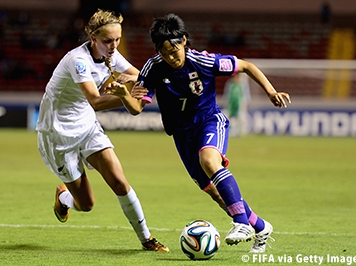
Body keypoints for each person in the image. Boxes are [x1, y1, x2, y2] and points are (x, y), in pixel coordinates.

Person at [105, 13, 291, 253]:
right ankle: (261, 227)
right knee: (215, 192)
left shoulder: (203, 61)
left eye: (175, 50)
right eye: (165, 53)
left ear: (184, 41)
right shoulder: (153, 68)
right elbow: (136, 109)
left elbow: (245, 66)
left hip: (209, 122)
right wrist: (123, 95)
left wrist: (271, 91)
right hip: (182, 136)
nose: (171, 57)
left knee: (209, 160)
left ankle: (242, 223)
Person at [35, 9, 169, 252]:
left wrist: (136, 84)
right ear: (93, 37)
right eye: (108, 40)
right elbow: (96, 101)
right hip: (58, 135)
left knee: (119, 182)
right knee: (86, 205)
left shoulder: (112, 55)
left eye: (117, 39)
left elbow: (137, 75)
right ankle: (63, 198)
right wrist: (125, 96)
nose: (114, 46)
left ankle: (147, 239)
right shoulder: (78, 60)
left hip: (87, 128)